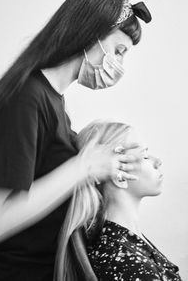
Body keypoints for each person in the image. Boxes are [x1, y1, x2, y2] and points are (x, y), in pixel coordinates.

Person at [0, 0, 152, 281]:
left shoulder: (54, 102)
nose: (119, 65)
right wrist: (83, 167)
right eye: (118, 51)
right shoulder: (26, 98)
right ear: (90, 34)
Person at [56, 120, 182, 281]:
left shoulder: (126, 243)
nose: (158, 161)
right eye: (144, 155)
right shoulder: (125, 262)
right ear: (120, 178)